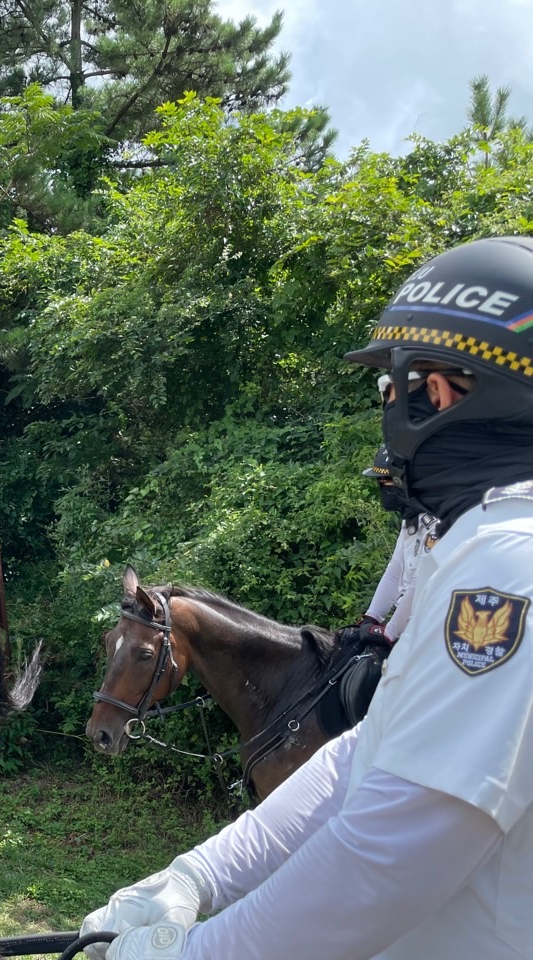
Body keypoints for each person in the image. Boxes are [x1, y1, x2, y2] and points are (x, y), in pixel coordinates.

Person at [80, 235, 533, 960]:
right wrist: (197, 875)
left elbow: (395, 848)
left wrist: (194, 955)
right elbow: (365, 754)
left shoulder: (508, 563)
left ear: (443, 390)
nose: (387, 413)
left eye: (393, 388)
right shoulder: (479, 538)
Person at [348, 444, 438, 647]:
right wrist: (372, 617)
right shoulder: (410, 519)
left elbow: (422, 582)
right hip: (406, 624)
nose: (382, 486)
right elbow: (395, 571)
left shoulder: (436, 524)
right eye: (380, 481)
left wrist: (389, 632)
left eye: (386, 480)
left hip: (430, 626)